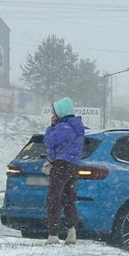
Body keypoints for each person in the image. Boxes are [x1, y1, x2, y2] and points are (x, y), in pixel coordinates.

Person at [43, 97, 86, 245]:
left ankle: (53, 235)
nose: (53, 114)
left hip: (61, 164)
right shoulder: (77, 127)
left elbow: (49, 141)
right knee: (69, 198)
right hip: (74, 165)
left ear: (61, 111)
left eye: (55, 111)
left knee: (54, 198)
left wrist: (51, 126)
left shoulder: (63, 127)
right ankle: (71, 231)